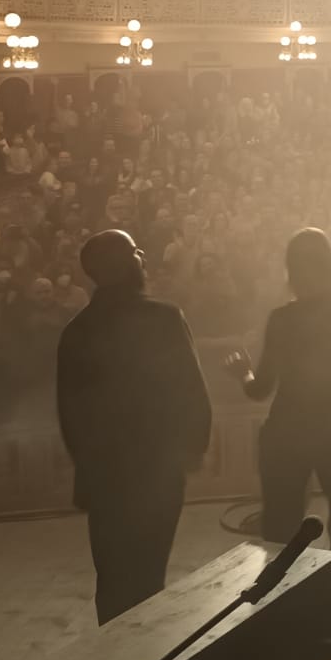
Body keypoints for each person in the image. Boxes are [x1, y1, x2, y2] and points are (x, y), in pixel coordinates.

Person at [56, 229, 213, 624]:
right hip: (157, 472)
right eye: (135, 252)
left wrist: (88, 467)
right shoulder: (163, 319)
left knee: (111, 581)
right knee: (148, 579)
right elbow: (191, 391)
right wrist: (192, 450)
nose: (142, 256)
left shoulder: (77, 331)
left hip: (104, 477)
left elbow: (70, 414)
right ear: (126, 264)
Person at [228, 228, 331, 615]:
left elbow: (260, 389)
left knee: (280, 530)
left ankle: (285, 612)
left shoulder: (281, 318)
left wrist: (242, 371)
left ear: (290, 270)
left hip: (287, 432)